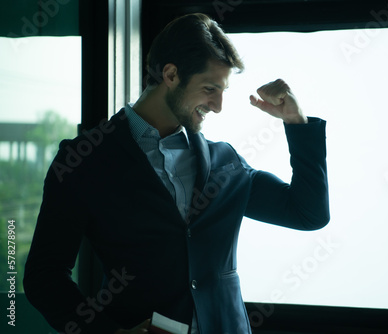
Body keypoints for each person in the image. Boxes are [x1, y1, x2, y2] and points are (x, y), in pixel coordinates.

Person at [24, 13, 329, 334]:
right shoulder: (84, 160)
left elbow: (308, 213)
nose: (218, 105)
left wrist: (296, 122)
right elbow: (45, 276)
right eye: (210, 88)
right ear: (171, 74)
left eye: (222, 90)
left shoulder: (225, 161)